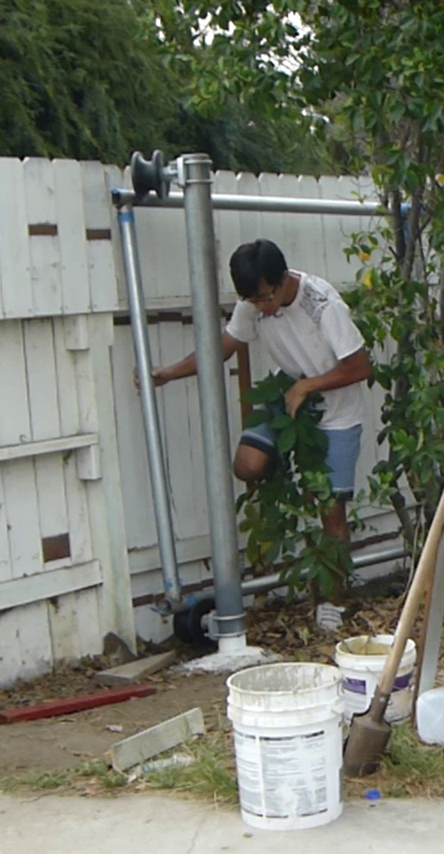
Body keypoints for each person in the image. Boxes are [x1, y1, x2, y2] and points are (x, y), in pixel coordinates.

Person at [150, 238, 372, 629]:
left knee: (331, 512)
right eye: (254, 302)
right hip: (286, 397)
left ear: (285, 279)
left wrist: (307, 386)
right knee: (248, 465)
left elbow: (359, 367)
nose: (261, 309)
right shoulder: (252, 303)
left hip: (335, 414)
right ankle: (286, 471)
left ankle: (333, 604)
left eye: (266, 299)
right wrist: (168, 373)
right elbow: (223, 346)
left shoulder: (323, 307)